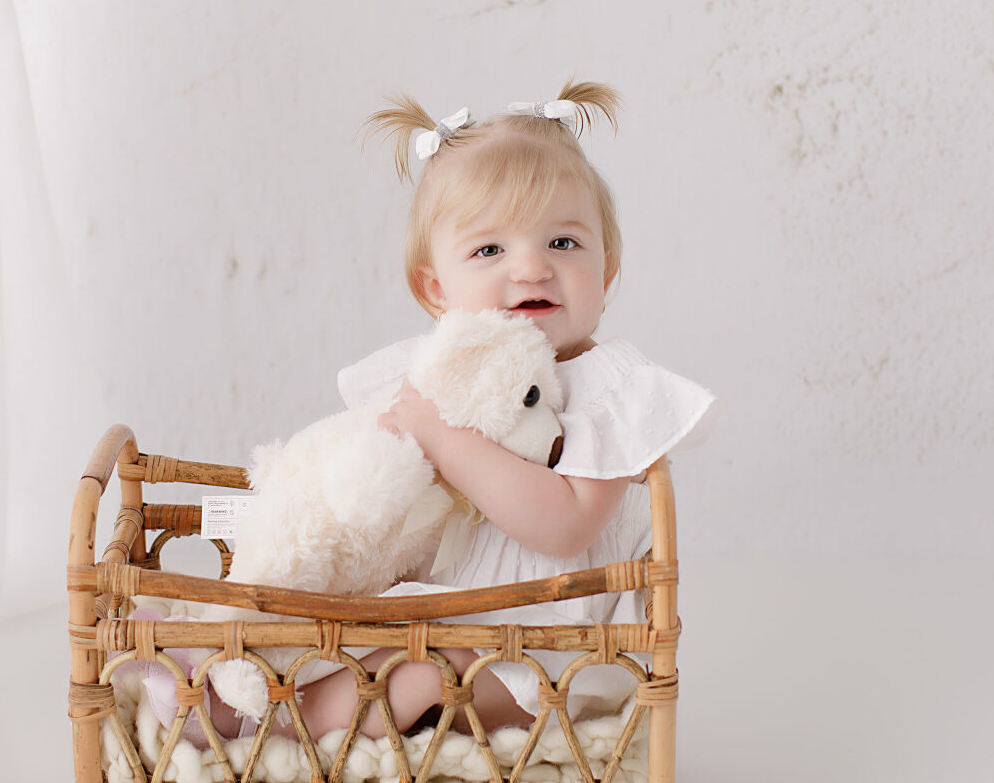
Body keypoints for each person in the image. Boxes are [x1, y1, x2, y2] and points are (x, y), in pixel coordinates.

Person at [271, 80, 717, 742]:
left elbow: (567, 524)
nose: (533, 268)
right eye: (490, 250)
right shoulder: (444, 377)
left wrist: (443, 440)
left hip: (552, 655)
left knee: (427, 662)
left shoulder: (614, 390)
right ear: (436, 289)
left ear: (609, 267)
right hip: (453, 612)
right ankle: (245, 689)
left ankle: (281, 736)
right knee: (358, 635)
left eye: (563, 243)